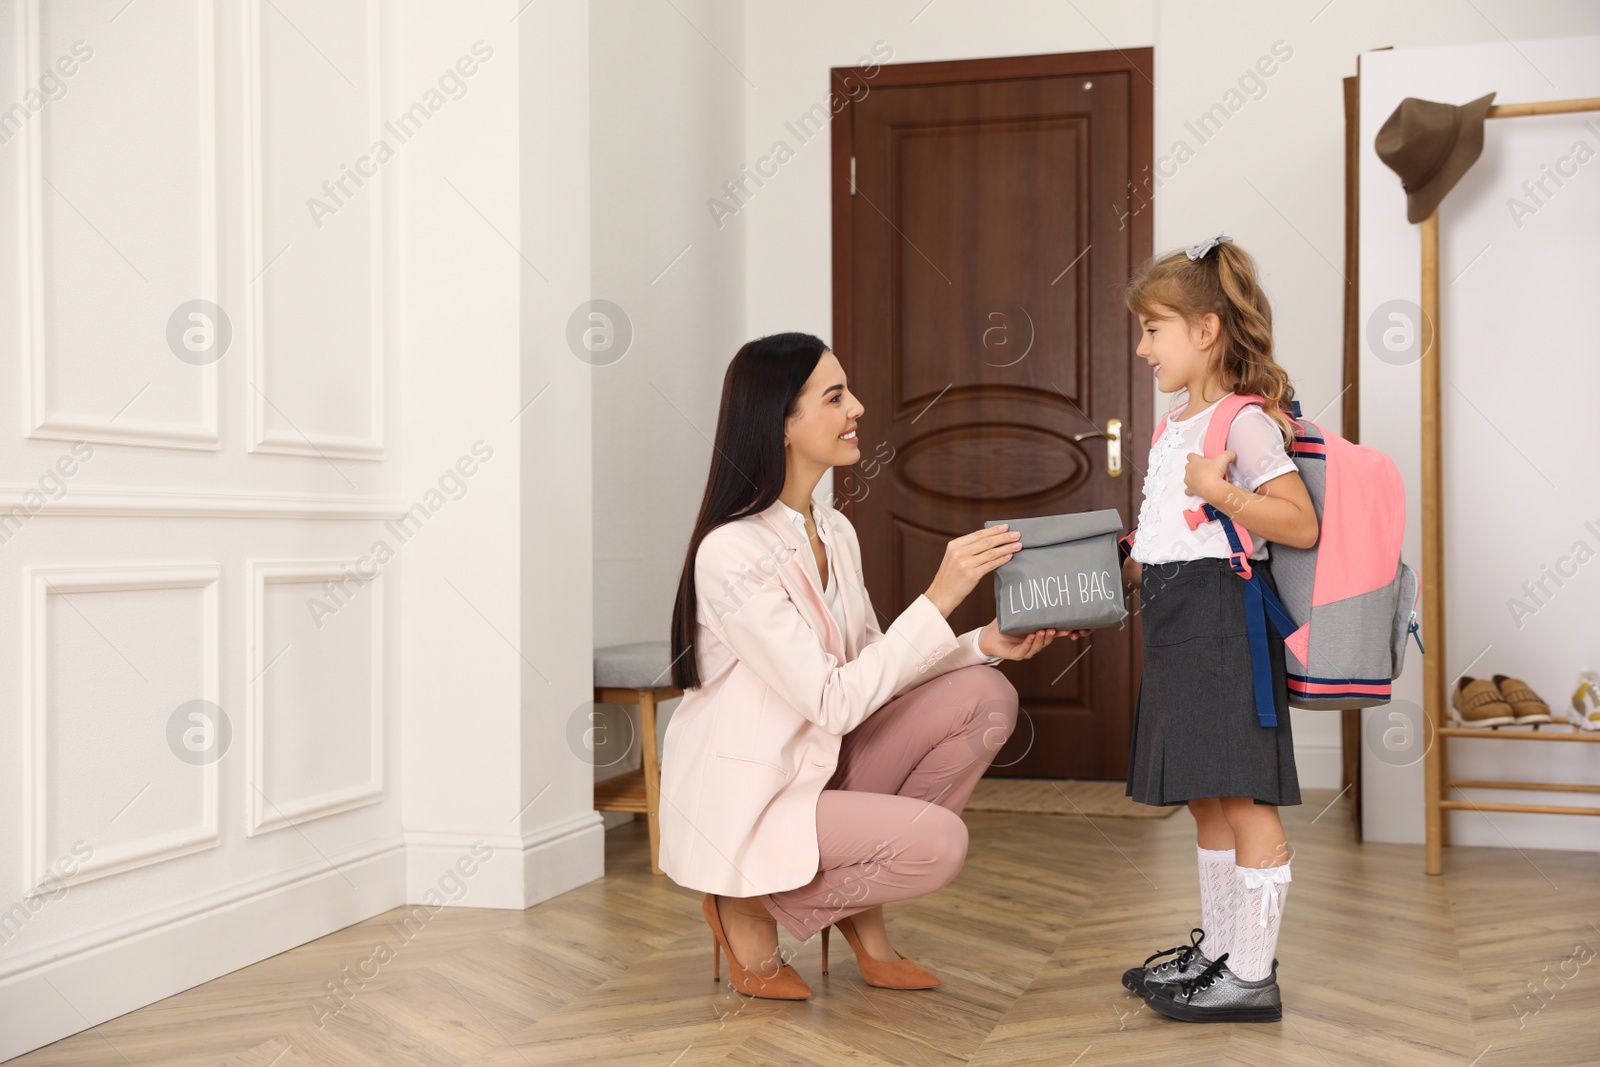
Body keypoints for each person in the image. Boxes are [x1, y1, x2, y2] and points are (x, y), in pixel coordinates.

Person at [659, 331, 1060, 1000]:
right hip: (762, 794)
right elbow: (836, 700)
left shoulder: (832, 529)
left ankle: (821, 902)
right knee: (939, 845)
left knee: (986, 694)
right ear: (780, 423)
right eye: (835, 396)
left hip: (824, 761)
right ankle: (745, 903)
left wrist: (983, 641)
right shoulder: (730, 553)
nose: (859, 409)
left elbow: (875, 665)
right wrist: (939, 595)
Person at [1111, 234, 1319, 1023]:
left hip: (1226, 624)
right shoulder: (1173, 424)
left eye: (1154, 328)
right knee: (1206, 797)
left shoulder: (1242, 422)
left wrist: (1220, 491)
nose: (1142, 346)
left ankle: (1253, 974)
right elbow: (1165, 536)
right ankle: (1223, 951)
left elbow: (1296, 524)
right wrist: (1100, 573)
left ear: (1205, 330)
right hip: (1175, 619)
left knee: (1246, 798)